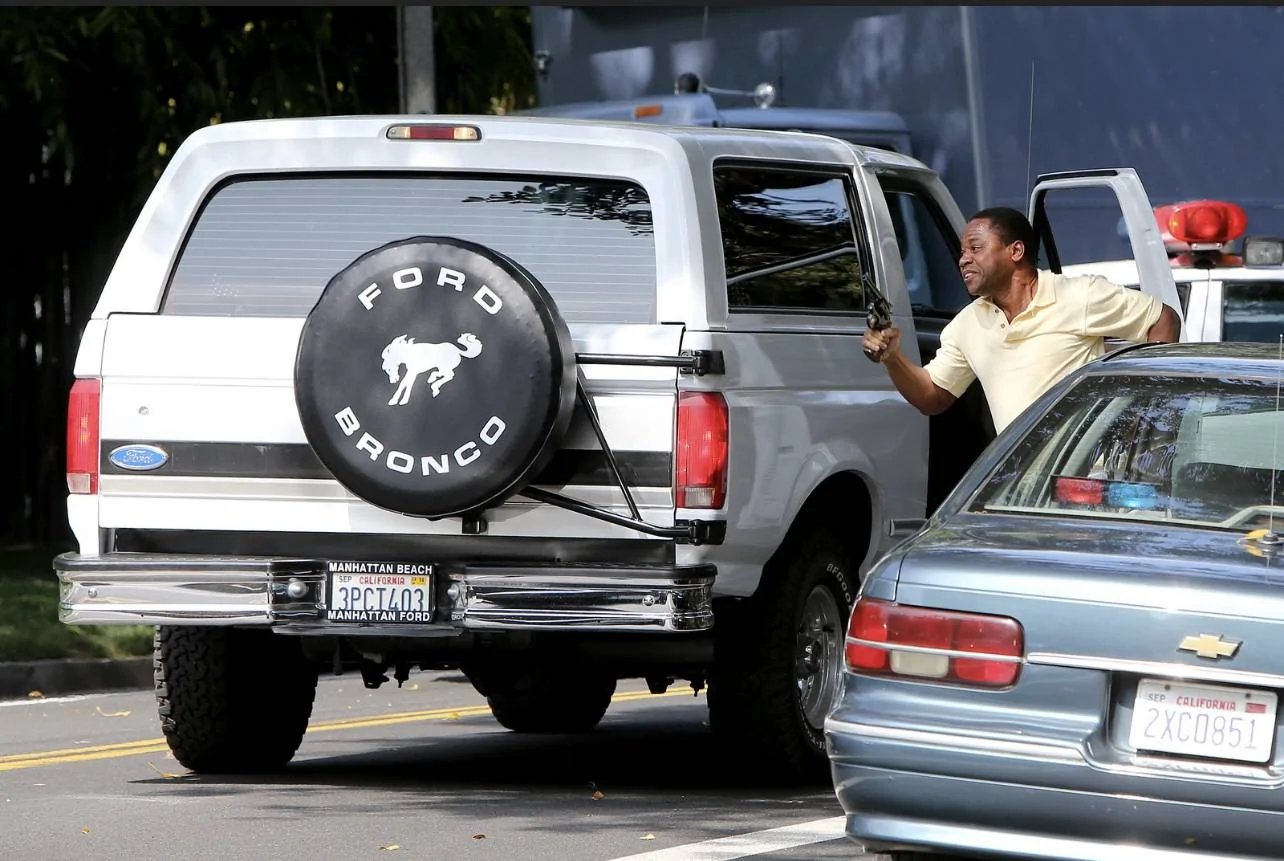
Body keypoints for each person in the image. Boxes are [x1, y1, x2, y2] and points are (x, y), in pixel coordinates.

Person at [863, 206, 1181, 433]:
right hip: (1020, 483)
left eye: (975, 248)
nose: (963, 260)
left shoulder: (1079, 295)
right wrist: (893, 359)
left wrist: (1147, 414)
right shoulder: (966, 325)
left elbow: (1163, 319)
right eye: (962, 252)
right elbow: (932, 397)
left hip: (1083, 479)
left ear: (1015, 251)